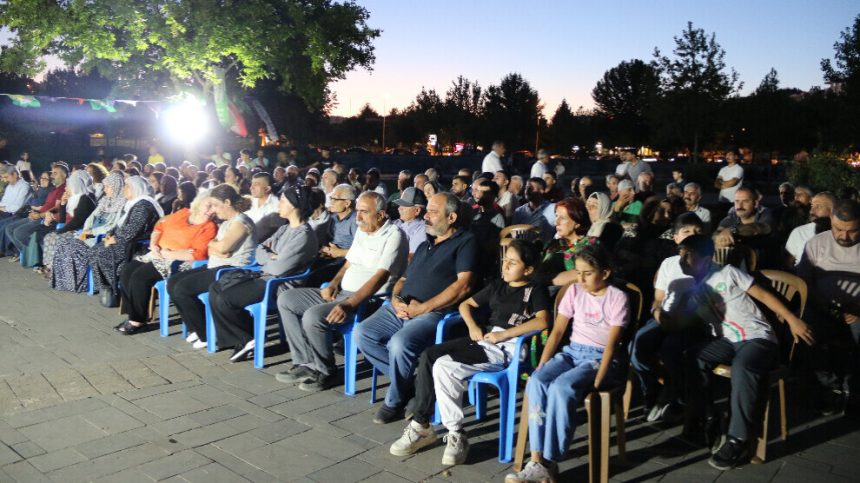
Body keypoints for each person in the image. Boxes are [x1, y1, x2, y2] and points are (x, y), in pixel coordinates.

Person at [390, 239, 550, 465]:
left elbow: (543, 321)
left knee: (444, 366)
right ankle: (421, 424)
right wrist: (473, 326)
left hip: (506, 347)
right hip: (485, 339)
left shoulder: (535, 290)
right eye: (505, 260)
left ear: (528, 269)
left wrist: (505, 334)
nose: (505, 266)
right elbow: (466, 305)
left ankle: (455, 433)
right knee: (429, 355)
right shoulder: (498, 285)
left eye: (513, 263)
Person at [678, 235, 814, 470]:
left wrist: (792, 319)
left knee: (743, 367)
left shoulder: (728, 272)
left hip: (756, 338)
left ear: (707, 259)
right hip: (727, 341)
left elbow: (763, 295)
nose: (682, 260)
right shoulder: (694, 287)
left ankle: (738, 439)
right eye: (681, 254)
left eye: (688, 255)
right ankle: (708, 416)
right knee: (692, 356)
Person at [506, 245, 629, 483]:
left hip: (599, 357)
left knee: (561, 387)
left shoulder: (617, 298)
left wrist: (599, 380)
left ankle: (550, 459)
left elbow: (612, 344)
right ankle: (536, 459)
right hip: (573, 352)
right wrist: (542, 364)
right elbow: (557, 332)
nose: (580, 279)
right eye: (578, 273)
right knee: (537, 381)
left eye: (587, 273)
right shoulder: (574, 291)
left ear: (605, 273)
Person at [355, 192, 477, 424]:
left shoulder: (465, 242)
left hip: (434, 312)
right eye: (427, 211)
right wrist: (395, 299)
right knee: (362, 333)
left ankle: (394, 400)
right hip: (400, 308)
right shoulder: (425, 245)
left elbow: (463, 286)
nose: (426, 217)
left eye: (433, 212)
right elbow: (402, 279)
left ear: (451, 217)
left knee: (400, 343)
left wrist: (422, 309)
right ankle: (414, 385)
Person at [276, 191, 408, 391]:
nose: (358, 217)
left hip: (366, 300)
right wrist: (334, 283)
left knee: (313, 316)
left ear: (381, 215)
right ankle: (305, 363)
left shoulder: (394, 235)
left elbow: (381, 277)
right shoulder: (363, 230)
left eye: (364, 212)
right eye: (357, 211)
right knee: (286, 299)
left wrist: (349, 304)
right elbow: (348, 263)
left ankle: (326, 371)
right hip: (342, 293)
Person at [209, 186, 318, 362]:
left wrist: (272, 258)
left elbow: (279, 269)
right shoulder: (285, 228)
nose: (279, 204)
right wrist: (271, 257)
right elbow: (259, 250)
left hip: (277, 285)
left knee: (225, 299)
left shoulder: (303, 235)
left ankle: (246, 338)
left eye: (282, 201)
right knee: (216, 288)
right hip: (264, 277)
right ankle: (240, 338)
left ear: (294, 205)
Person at [630, 213, 703, 423]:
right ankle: (651, 391)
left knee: (671, 348)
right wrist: (657, 313)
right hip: (664, 316)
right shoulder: (669, 263)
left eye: (697, 232)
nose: (692, 235)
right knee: (636, 346)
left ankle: (675, 395)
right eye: (687, 231)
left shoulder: (706, 262)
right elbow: (658, 298)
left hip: (691, 320)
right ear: (676, 238)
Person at [167, 184, 257, 348]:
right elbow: (212, 247)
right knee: (172, 282)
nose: (213, 210)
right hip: (216, 264)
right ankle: (196, 327)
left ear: (227, 202)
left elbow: (223, 248)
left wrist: (216, 247)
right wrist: (215, 246)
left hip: (231, 269)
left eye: (215, 205)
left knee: (182, 289)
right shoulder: (227, 223)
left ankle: (206, 334)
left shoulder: (241, 222)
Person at [114, 195, 217, 334]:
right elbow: (159, 227)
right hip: (159, 253)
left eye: (214, 207)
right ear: (199, 202)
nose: (212, 210)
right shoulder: (184, 213)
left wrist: (169, 254)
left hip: (178, 261)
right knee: (127, 271)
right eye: (209, 206)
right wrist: (154, 245)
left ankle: (137, 321)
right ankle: (135, 313)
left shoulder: (209, 227)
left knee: (140, 277)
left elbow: (197, 254)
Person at [796, 199, 860, 415]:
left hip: (857, 311)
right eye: (838, 229)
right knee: (807, 332)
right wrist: (821, 304)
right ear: (831, 220)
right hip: (822, 307)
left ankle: (854, 388)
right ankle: (830, 386)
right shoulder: (817, 243)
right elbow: (804, 282)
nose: (844, 236)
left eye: (852, 231)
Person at [89, 176, 164, 305]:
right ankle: (107, 288)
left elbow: (132, 230)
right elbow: (120, 224)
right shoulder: (133, 204)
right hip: (125, 241)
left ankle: (114, 290)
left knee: (102, 253)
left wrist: (115, 239)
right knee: (94, 251)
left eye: (127, 186)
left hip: (136, 245)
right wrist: (110, 233)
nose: (124, 189)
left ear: (136, 188)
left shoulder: (143, 205)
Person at [50, 173, 126, 291]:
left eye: (108, 187)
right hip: (88, 234)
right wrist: (86, 230)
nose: (105, 190)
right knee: (63, 246)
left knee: (73, 249)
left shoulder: (122, 205)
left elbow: (112, 226)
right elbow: (91, 218)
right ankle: (63, 282)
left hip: (99, 237)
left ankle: (80, 284)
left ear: (116, 187)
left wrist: (92, 232)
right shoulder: (105, 201)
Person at [2, 164, 68, 259]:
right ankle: (28, 255)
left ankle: (36, 257)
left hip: (47, 218)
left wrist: (39, 215)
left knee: (19, 232)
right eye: (52, 173)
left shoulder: (63, 189)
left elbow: (57, 208)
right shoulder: (54, 189)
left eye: (55, 173)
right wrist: (35, 212)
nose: (52, 176)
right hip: (39, 214)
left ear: (64, 175)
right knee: (9, 228)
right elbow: (45, 205)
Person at [36, 170, 97, 271]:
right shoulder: (73, 198)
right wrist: (63, 205)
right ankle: (50, 267)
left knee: (55, 238)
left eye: (68, 186)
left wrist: (61, 231)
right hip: (70, 229)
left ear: (75, 185)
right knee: (48, 237)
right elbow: (63, 220)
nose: (65, 188)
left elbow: (77, 221)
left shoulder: (85, 199)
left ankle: (56, 269)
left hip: (81, 232)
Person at [785, 191, 836, 266]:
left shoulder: (844, 233)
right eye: (812, 206)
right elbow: (789, 264)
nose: (811, 211)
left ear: (833, 209)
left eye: (818, 206)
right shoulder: (799, 232)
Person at [512, 178, 553, 243]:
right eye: (526, 188)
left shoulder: (551, 209)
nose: (527, 191)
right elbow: (513, 232)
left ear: (541, 190)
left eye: (531, 188)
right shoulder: (519, 211)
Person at [393, 187, 428, 260]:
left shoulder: (422, 229)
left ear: (417, 210)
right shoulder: (397, 222)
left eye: (404, 205)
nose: (399, 208)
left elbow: (411, 258)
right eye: (400, 205)